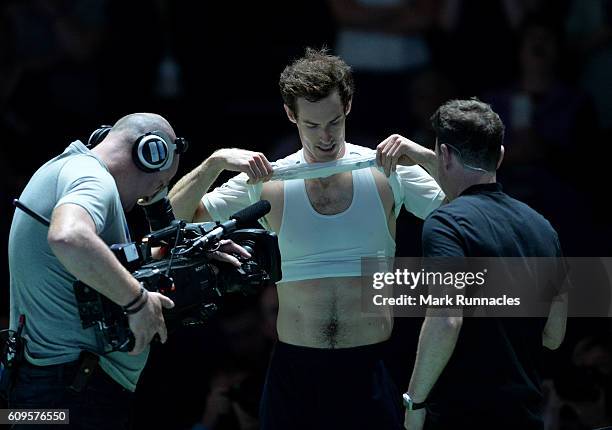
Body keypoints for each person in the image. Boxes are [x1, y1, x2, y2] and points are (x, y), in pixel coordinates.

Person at [168, 47, 445, 430]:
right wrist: (215, 161)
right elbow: (176, 218)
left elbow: (468, 213)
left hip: (371, 366)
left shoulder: (387, 171)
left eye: (333, 122)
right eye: (312, 126)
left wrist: (423, 155)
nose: (325, 136)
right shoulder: (270, 179)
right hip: (294, 373)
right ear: (290, 115)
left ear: (347, 106)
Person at [6, 113, 248, 429]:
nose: (148, 198)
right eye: (160, 183)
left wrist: (191, 250)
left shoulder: (66, 168)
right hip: (70, 395)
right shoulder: (93, 180)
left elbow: (100, 265)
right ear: (148, 153)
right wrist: (137, 302)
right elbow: (68, 236)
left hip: (46, 393)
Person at [399, 99, 568, 429]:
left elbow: (446, 320)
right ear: (501, 156)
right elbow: (554, 335)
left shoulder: (446, 223)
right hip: (526, 418)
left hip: (462, 417)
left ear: (444, 155)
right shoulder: (543, 228)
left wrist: (415, 403)